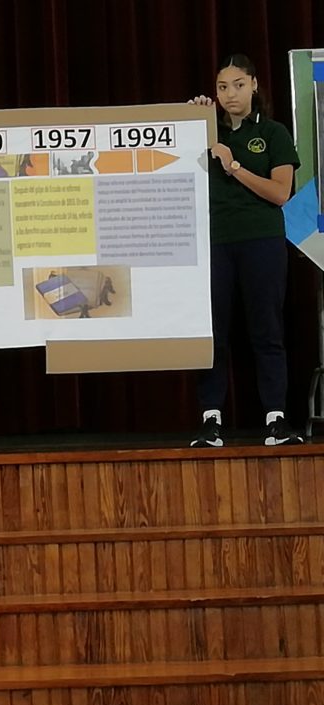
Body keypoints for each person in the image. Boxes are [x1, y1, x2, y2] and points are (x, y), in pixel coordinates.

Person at [187, 54, 303, 447]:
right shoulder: (208, 130)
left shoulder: (272, 133)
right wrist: (191, 120)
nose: (230, 94)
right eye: (222, 87)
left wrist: (234, 165)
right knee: (213, 333)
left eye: (238, 85)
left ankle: (275, 419)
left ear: (254, 84)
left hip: (262, 241)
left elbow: (280, 193)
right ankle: (211, 419)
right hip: (214, 243)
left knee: (266, 331)